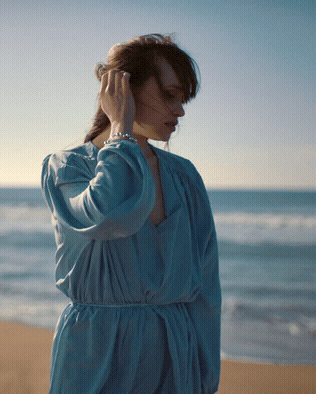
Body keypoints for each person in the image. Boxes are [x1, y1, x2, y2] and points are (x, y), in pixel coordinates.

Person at [40, 34, 221, 393]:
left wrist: (205, 376)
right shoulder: (67, 168)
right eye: (170, 95)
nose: (180, 111)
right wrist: (120, 130)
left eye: (183, 99)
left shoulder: (184, 176)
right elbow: (108, 217)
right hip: (96, 354)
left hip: (176, 354)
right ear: (121, 88)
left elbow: (207, 288)